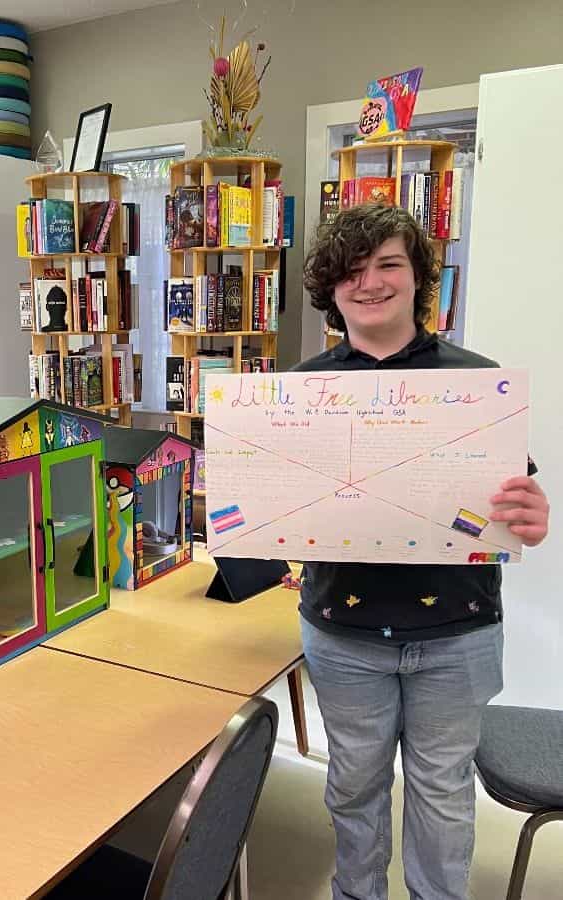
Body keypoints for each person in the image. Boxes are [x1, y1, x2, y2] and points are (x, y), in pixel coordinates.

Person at [296, 203, 550, 900]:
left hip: (456, 636)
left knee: (442, 796)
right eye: (352, 269)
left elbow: (511, 500)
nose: (370, 282)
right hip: (343, 633)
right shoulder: (299, 390)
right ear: (330, 286)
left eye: (388, 264)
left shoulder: (477, 382)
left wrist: (531, 515)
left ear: (417, 279)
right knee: (353, 787)